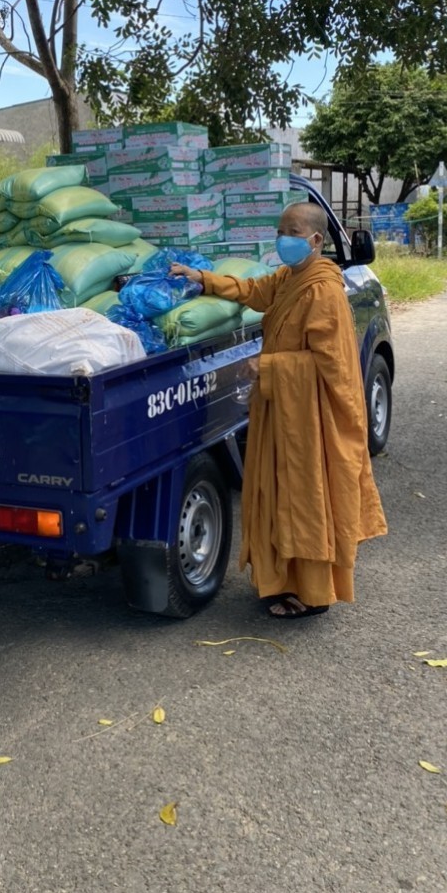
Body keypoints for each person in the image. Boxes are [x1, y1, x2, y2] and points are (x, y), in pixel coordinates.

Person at [169, 201, 387, 619]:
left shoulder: (323, 291)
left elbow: (334, 369)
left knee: (306, 501)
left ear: (316, 240)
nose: (282, 239)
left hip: (311, 422)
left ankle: (314, 595)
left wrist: (268, 365)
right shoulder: (291, 278)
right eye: (281, 230)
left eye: (291, 231)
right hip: (281, 409)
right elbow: (254, 291)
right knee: (277, 496)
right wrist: (202, 279)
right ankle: (284, 581)